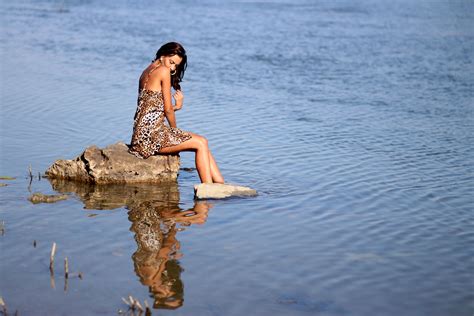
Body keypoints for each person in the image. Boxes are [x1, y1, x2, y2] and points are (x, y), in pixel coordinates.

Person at [129, 42, 224, 184]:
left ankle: (220, 184)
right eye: (171, 62)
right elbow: (166, 110)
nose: (172, 68)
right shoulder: (163, 70)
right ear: (163, 55)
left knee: (201, 141)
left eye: (175, 66)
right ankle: (208, 188)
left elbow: (150, 109)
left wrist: (177, 107)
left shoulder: (146, 71)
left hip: (142, 135)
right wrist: (175, 131)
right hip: (149, 138)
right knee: (201, 142)